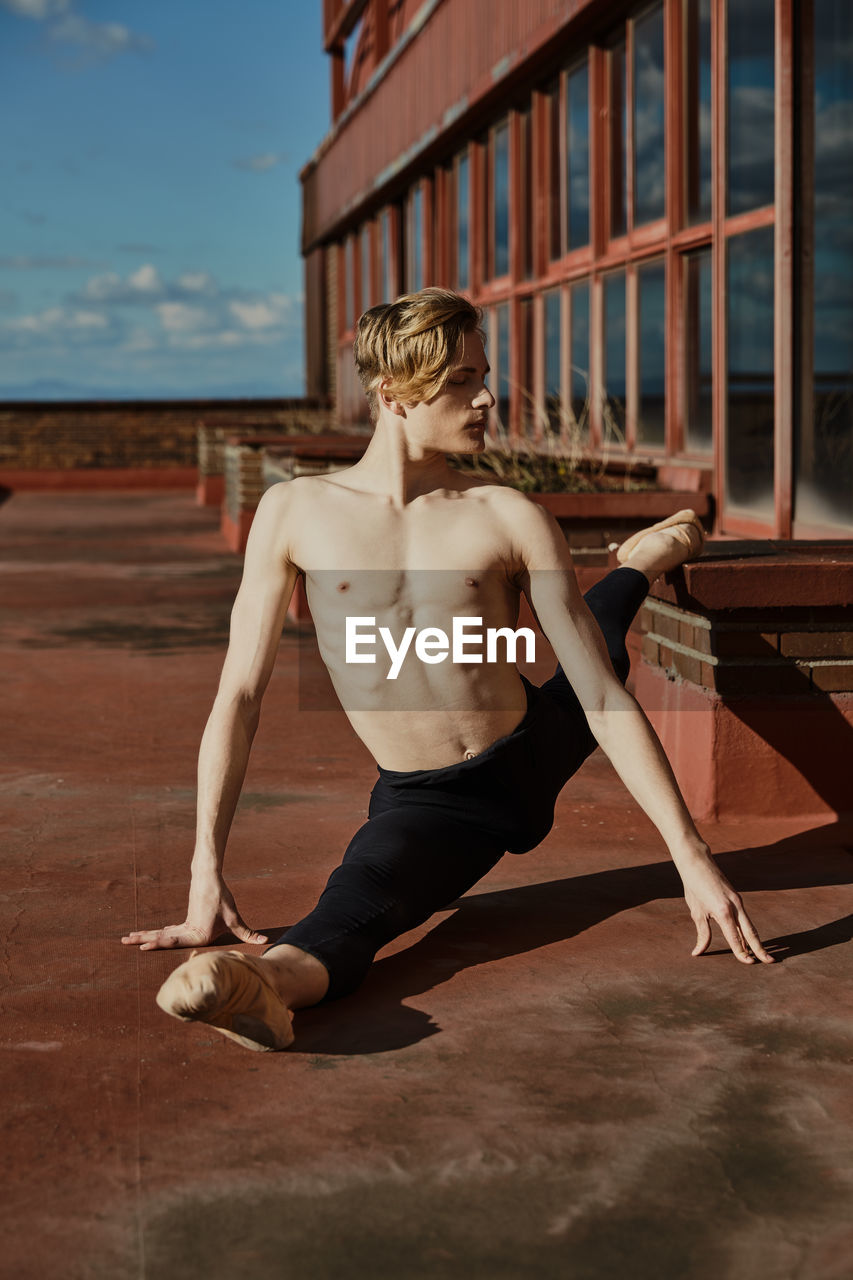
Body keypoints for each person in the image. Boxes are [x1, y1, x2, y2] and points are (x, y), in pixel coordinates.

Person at [121, 288, 774, 1052]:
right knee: (362, 899)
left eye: (482, 375)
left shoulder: (504, 514)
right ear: (392, 392)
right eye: (462, 380)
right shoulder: (296, 512)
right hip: (443, 805)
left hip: (533, 741)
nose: (487, 396)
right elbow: (238, 696)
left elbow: (598, 694)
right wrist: (206, 872)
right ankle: (261, 984)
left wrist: (689, 857)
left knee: (597, 653)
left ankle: (635, 565)